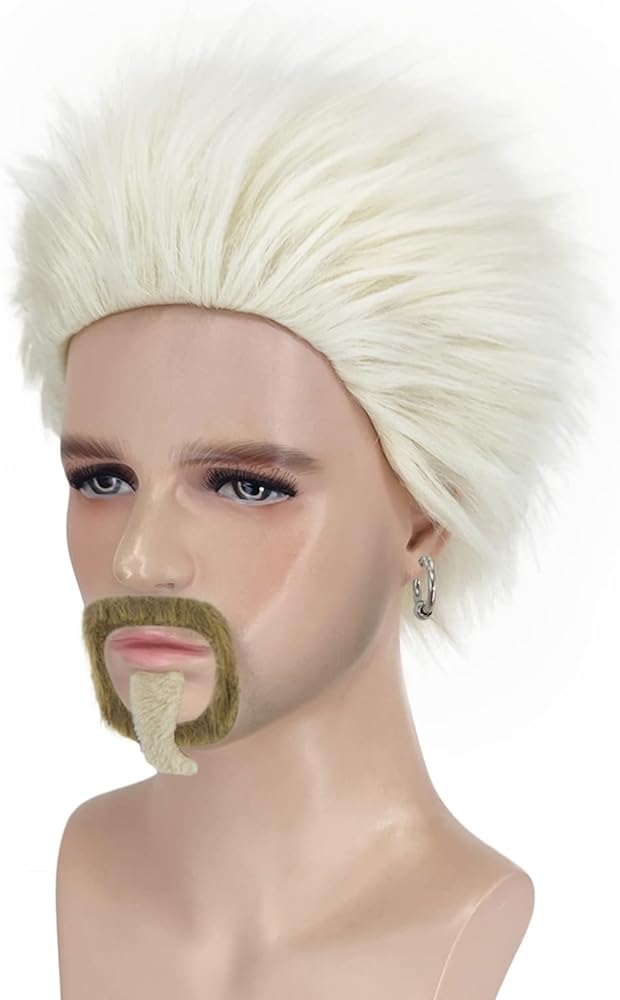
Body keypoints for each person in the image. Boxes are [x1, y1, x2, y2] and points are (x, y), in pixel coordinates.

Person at [6, 11, 603, 999]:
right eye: (103, 480)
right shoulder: (83, 862)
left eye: (246, 486)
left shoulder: (470, 930)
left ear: (425, 518)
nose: (140, 557)